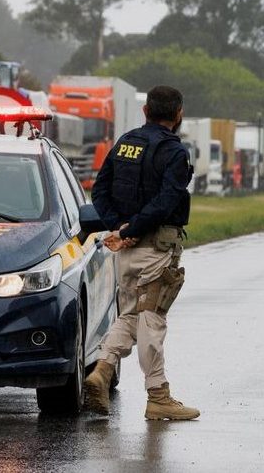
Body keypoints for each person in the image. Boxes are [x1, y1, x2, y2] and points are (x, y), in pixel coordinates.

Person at [84, 85, 199, 421]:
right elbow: (166, 201)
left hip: (125, 251)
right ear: (178, 115)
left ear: (145, 111)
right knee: (152, 319)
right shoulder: (175, 154)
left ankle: (102, 370)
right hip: (155, 250)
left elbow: (100, 189)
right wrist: (132, 229)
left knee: (130, 316)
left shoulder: (124, 144)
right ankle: (158, 396)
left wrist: (119, 227)